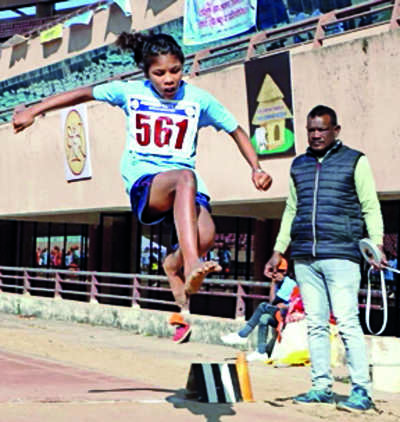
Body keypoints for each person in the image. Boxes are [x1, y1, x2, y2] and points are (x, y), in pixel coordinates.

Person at [13, 32, 272, 341]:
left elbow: (237, 130)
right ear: (146, 74)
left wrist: (256, 168)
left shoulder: (198, 99)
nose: (168, 79)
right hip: (148, 182)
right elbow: (82, 94)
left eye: (175, 70)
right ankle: (191, 263)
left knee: (208, 235)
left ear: (182, 66)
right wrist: (33, 111)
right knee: (184, 179)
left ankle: (173, 264)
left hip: (186, 188)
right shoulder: (130, 92)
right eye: (159, 73)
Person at [265, 105, 385, 412]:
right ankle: (321, 386)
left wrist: (376, 246)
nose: (316, 135)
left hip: (342, 254)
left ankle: (361, 389)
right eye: (311, 130)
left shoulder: (355, 161)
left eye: (322, 129)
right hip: (305, 256)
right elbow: (291, 209)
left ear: (336, 131)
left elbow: (370, 206)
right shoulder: (299, 165)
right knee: (315, 324)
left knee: (346, 322)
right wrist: (279, 249)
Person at [220, 257, 297, 361]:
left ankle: (243, 335)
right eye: (275, 271)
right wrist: (273, 283)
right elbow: (273, 301)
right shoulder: (278, 284)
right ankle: (261, 351)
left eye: (281, 271)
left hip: (286, 315)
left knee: (262, 306)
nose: (278, 274)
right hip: (277, 314)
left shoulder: (289, 283)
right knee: (264, 318)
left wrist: (278, 301)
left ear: (286, 271)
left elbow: (274, 302)